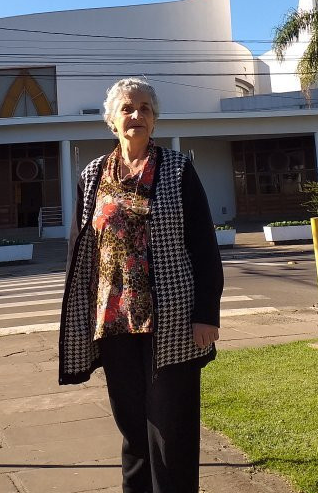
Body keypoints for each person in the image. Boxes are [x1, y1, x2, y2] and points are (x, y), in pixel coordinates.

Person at [59, 77, 224, 493]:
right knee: (132, 428)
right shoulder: (92, 174)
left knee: (172, 427)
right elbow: (80, 249)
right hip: (113, 319)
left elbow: (204, 244)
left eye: (145, 108)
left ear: (155, 120)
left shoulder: (178, 168)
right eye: (128, 109)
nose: (137, 116)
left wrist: (206, 314)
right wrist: (77, 316)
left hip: (171, 317)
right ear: (111, 121)